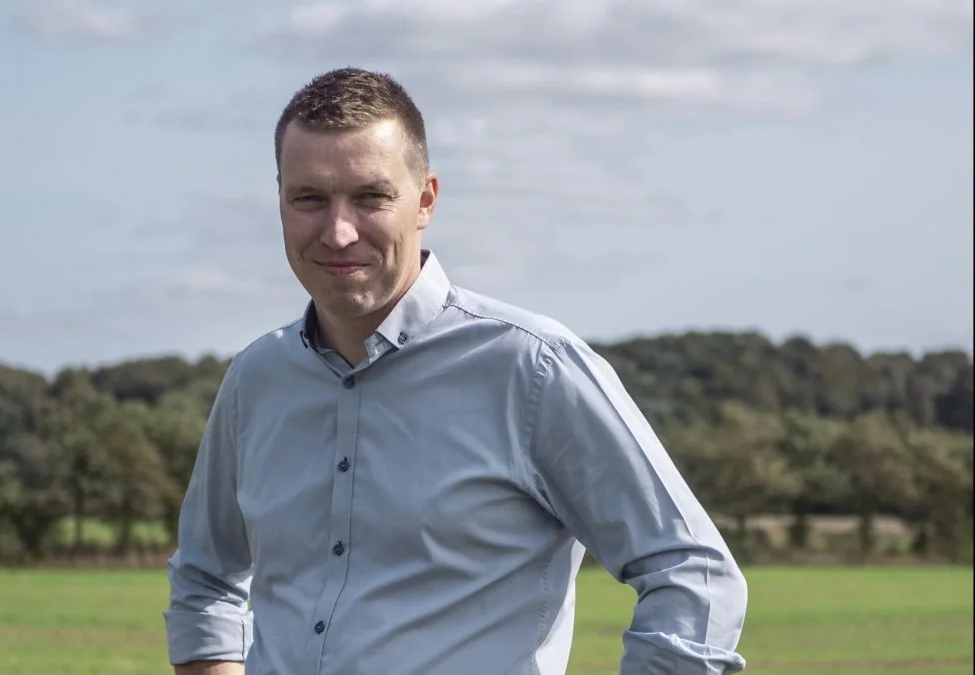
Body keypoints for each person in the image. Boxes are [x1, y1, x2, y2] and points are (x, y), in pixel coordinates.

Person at [164, 67, 748, 675]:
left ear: (425, 200)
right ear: (280, 200)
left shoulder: (533, 369)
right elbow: (206, 577)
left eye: (370, 197)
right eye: (309, 198)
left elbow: (693, 575)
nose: (338, 232)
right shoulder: (255, 381)